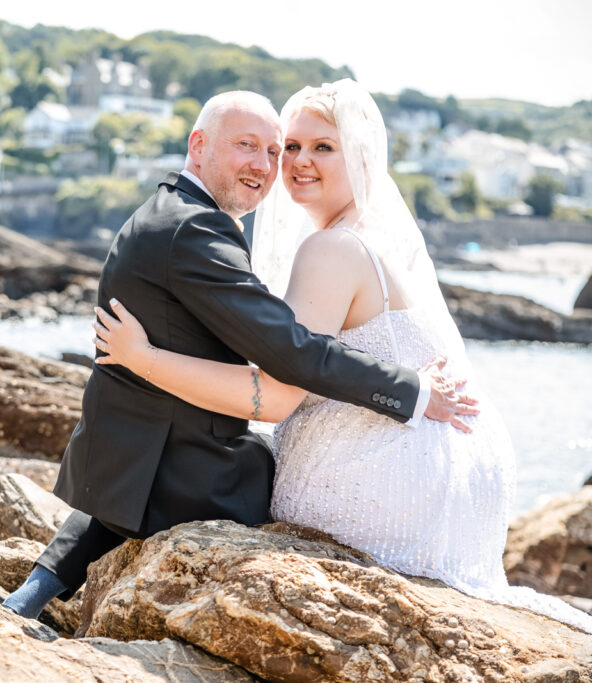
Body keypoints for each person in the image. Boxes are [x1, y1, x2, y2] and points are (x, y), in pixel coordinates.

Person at [93, 79, 592, 632]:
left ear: (359, 156)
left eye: (321, 147)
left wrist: (142, 359)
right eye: (292, 147)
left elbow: (277, 397)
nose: (298, 162)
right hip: (445, 465)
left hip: (391, 470)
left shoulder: (331, 248)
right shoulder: (362, 237)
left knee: (216, 471)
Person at [3, 90, 475, 620]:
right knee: (278, 471)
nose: (270, 165)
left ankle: (34, 591)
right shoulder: (195, 230)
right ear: (197, 145)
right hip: (189, 477)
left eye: (275, 151)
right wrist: (411, 391)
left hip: (134, 462)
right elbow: (290, 351)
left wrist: (144, 358)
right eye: (251, 146)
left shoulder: (170, 214)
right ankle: (31, 594)